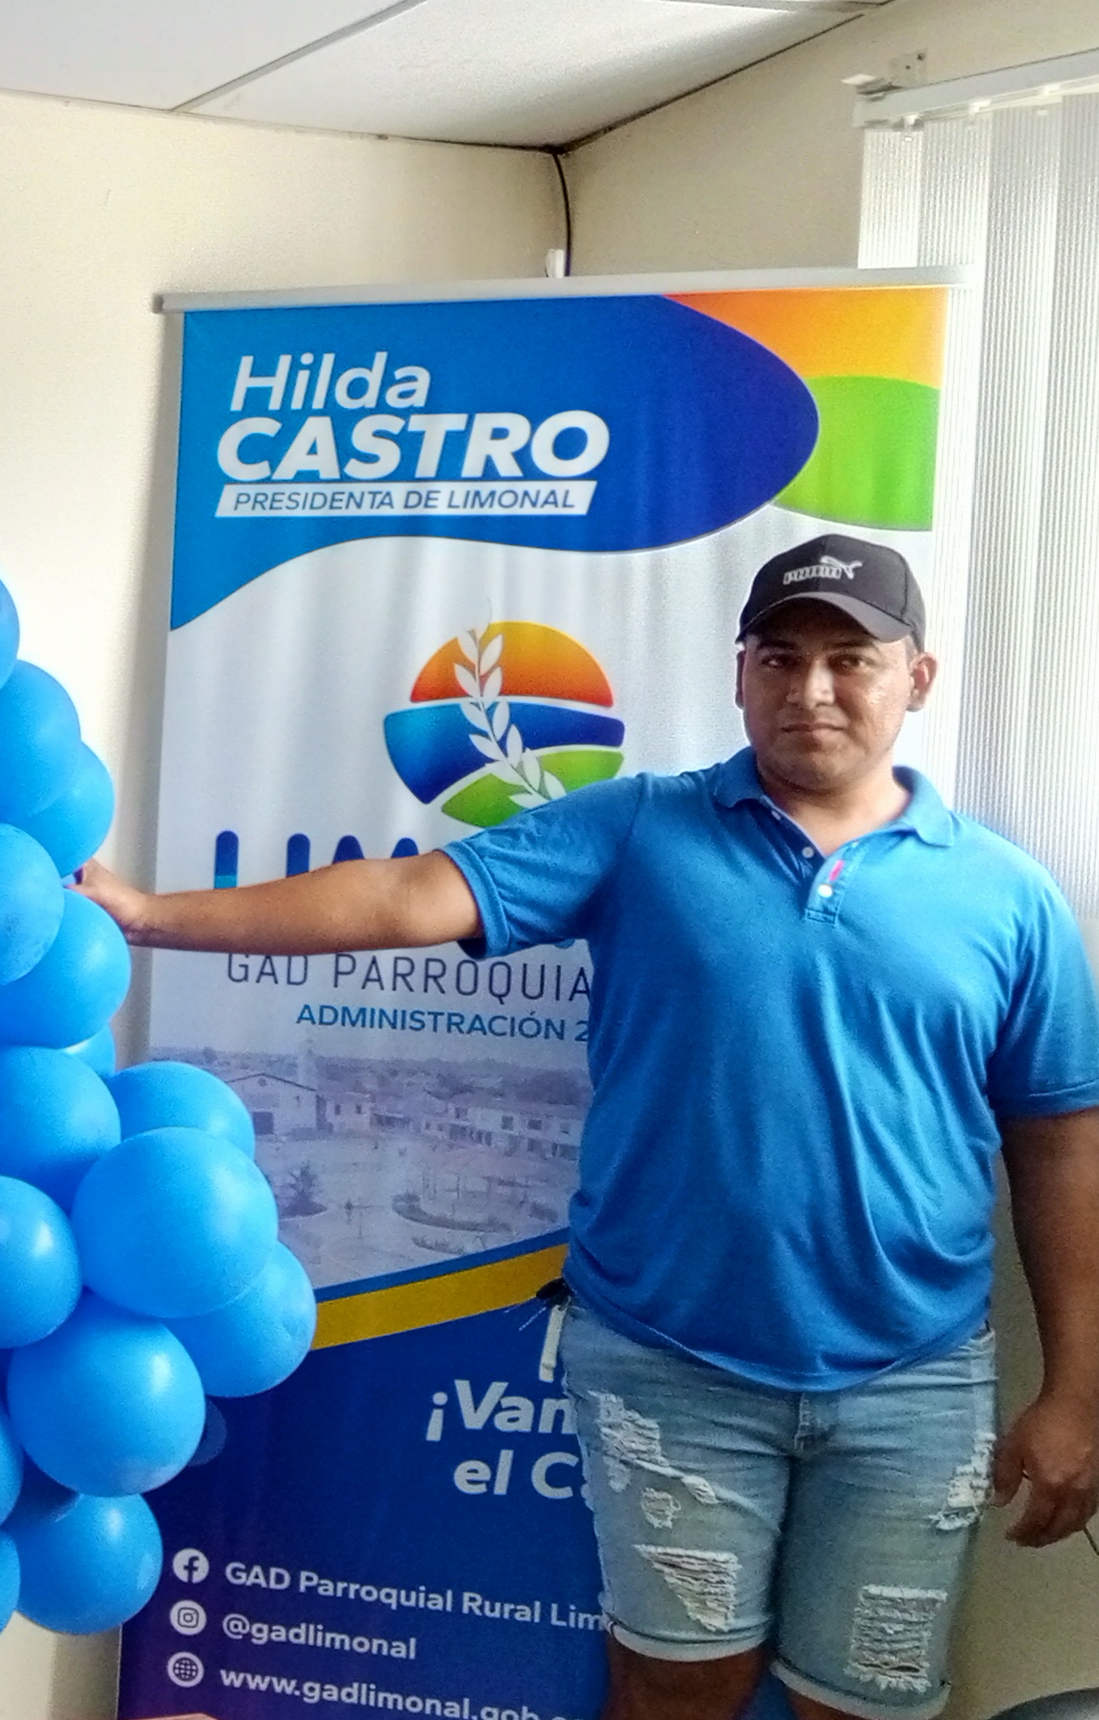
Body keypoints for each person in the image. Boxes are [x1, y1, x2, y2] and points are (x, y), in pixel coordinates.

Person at [73, 534, 1099, 1720]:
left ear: (915, 678)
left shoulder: (1009, 898)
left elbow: (1060, 1145)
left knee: (868, 1705)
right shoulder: (642, 828)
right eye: (780, 657)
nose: (812, 689)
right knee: (673, 1688)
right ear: (740, 673)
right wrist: (149, 916)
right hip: (672, 1370)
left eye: (850, 659)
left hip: (914, 1383)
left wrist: (1074, 1387)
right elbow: (404, 895)